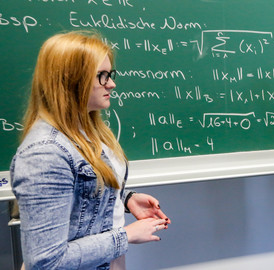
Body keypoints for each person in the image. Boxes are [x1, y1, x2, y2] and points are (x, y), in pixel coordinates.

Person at [10, 31, 171, 270]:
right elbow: (45, 262)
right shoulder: (44, 154)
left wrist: (125, 199)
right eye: (102, 76)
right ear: (70, 80)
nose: (112, 84)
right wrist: (126, 236)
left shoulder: (87, 130)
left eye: (110, 74)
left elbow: (82, 195)